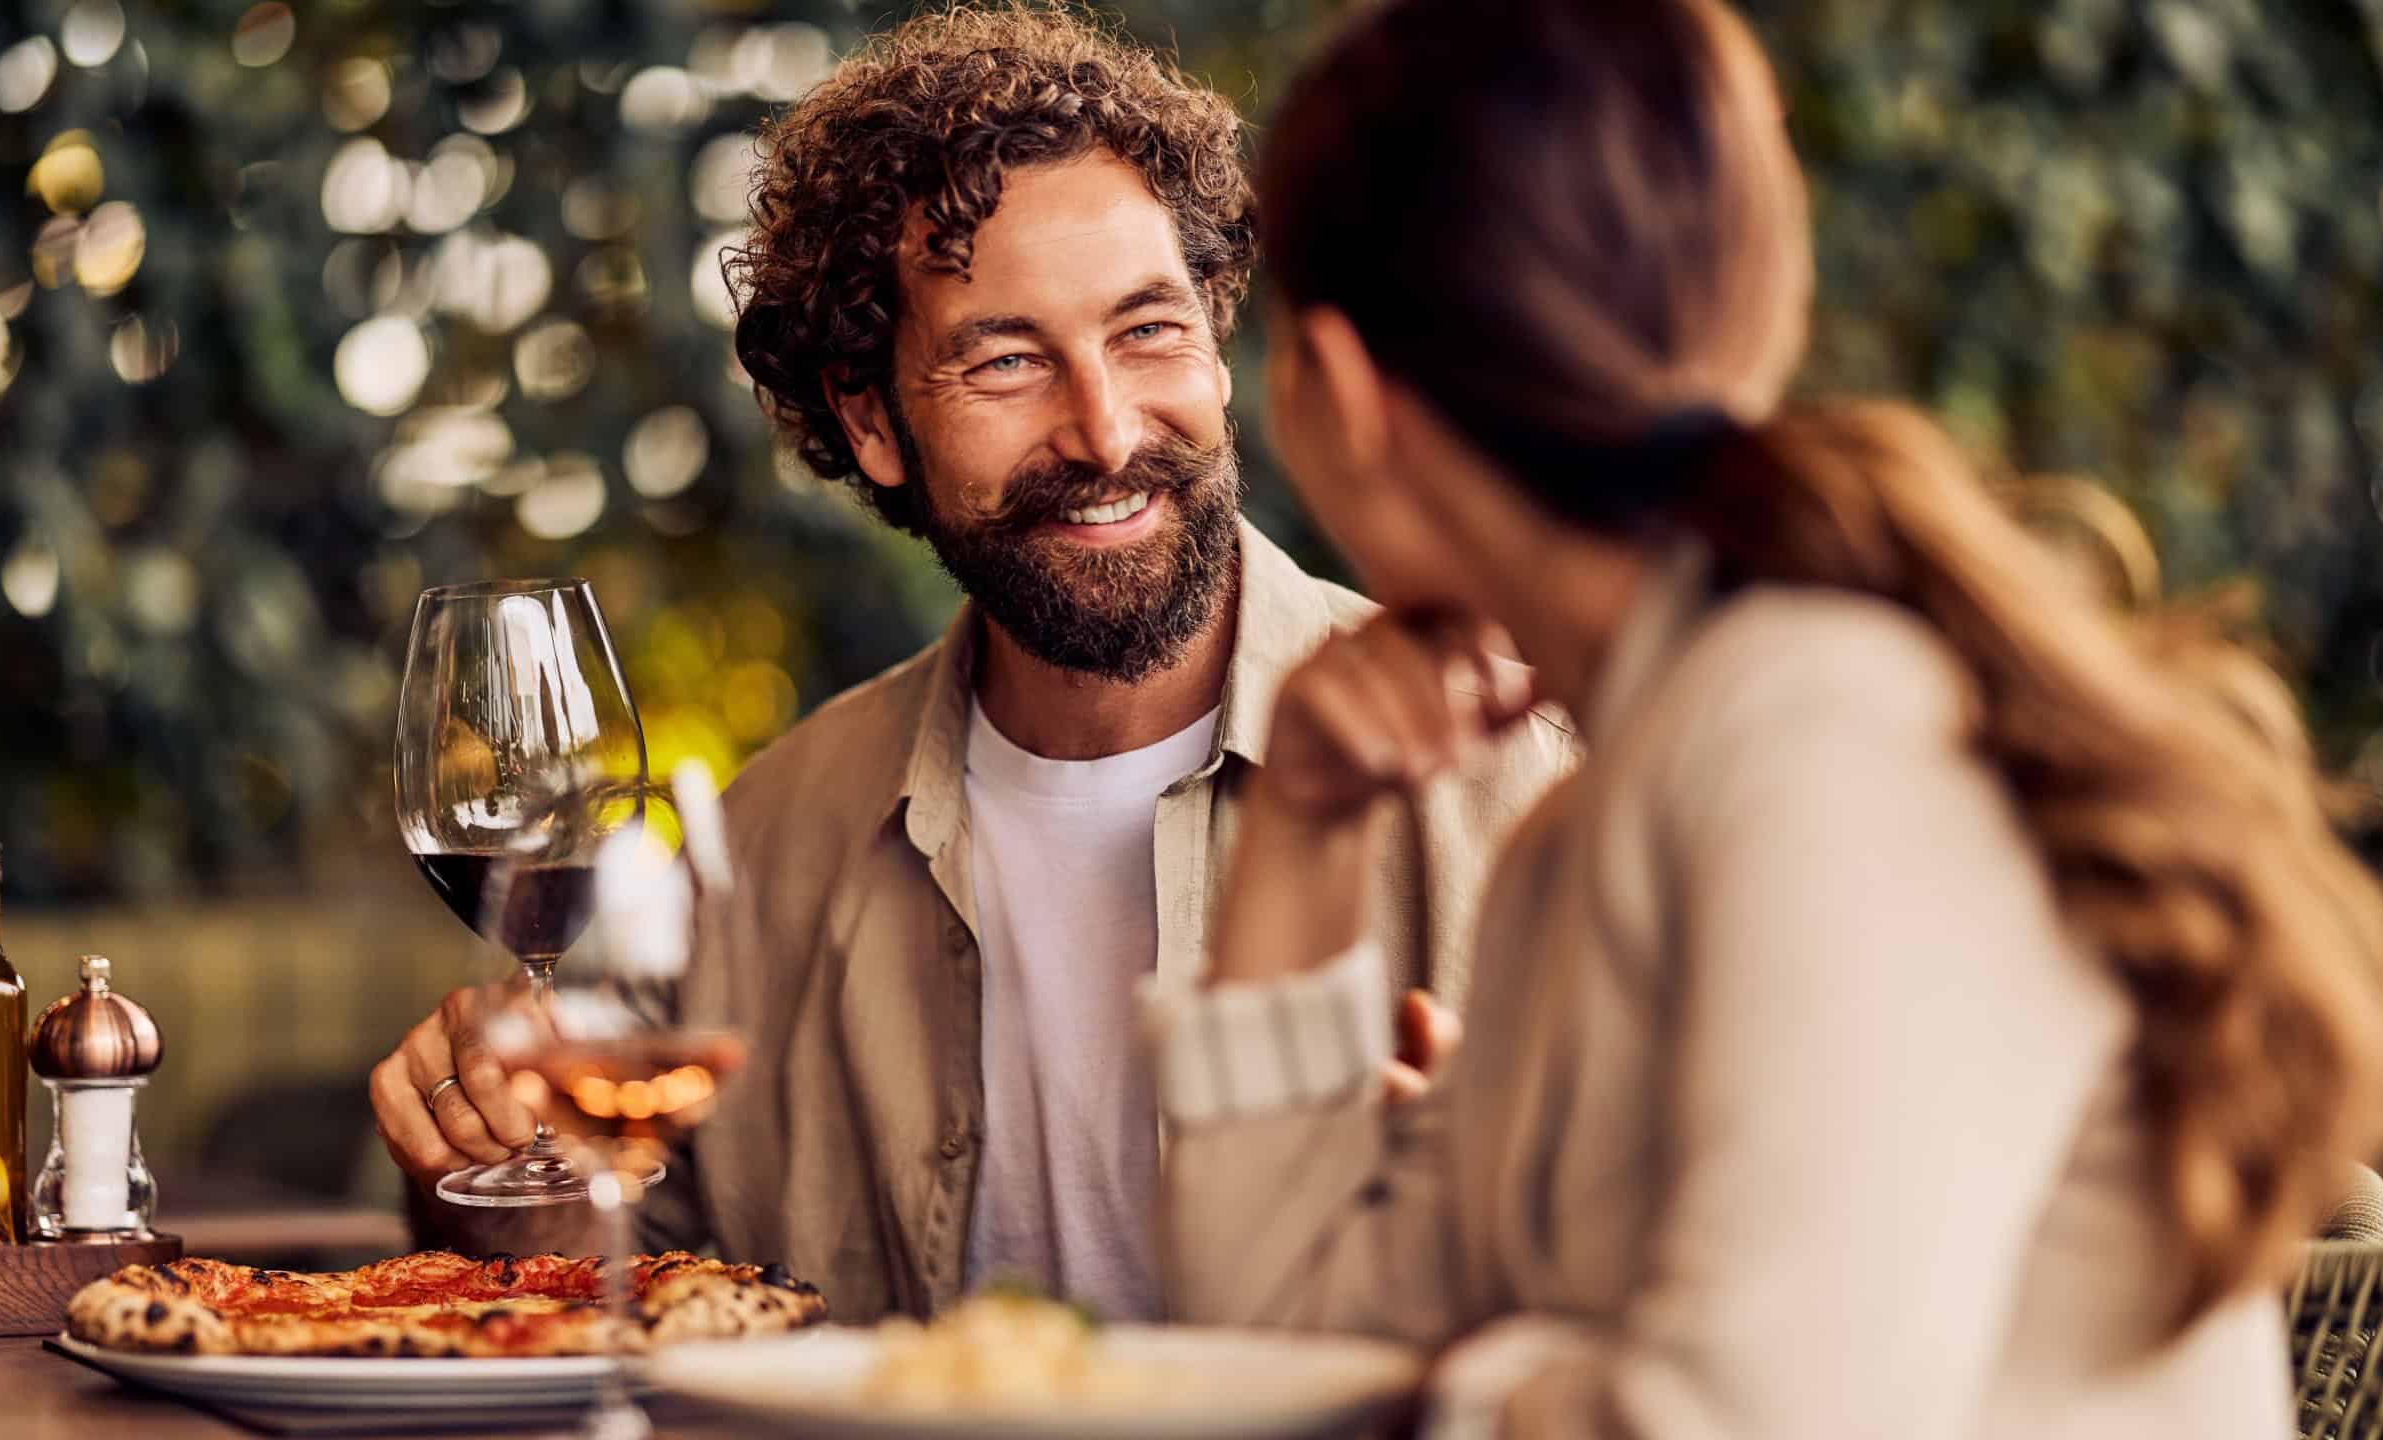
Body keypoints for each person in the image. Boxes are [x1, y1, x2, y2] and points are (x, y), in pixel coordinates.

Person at [1148, 0, 2383, 1434]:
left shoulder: (1825, 735)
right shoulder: (1604, 814)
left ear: (1343, 393)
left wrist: (1477, 1382)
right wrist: (1303, 828)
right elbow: (1280, 1343)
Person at [368, 4, 1575, 1325]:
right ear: (871, 418)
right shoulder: (766, 856)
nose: (1107, 431)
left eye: (1148, 331)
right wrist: (477, 1173)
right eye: (1007, 359)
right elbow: (611, 1295)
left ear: (1219, 348)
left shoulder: (1537, 782)